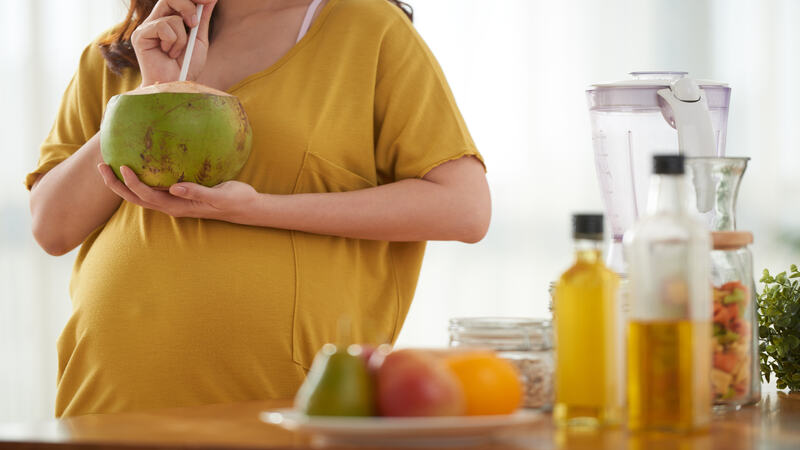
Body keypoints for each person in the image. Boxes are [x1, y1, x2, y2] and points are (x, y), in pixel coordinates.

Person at [26, 0, 490, 417]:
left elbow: (463, 207)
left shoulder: (368, 29)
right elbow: (52, 227)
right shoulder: (125, 50)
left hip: (285, 400)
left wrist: (257, 208)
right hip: (111, 395)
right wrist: (155, 90)